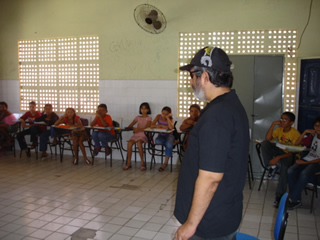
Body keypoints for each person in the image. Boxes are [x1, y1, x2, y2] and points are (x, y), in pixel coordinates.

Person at [174, 46, 249, 240]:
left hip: (208, 223)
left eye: (192, 76)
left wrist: (190, 224)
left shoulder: (218, 115)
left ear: (205, 77)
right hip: (221, 214)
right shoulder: (229, 105)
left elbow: (210, 179)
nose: (190, 81)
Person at [261, 112, 300, 207]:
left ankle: (279, 197)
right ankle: (271, 167)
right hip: (281, 152)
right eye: (281, 119)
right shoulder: (279, 130)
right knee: (265, 143)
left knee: (284, 169)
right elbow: (268, 138)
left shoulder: (295, 133)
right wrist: (273, 124)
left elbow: (294, 152)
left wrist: (278, 158)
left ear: (291, 123)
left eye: (285, 119)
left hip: (291, 156)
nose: (282, 121)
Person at [287, 116, 320, 210]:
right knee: (290, 171)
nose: (317, 128)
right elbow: (296, 144)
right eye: (316, 126)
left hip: (317, 163)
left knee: (304, 174)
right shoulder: (313, 135)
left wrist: (304, 163)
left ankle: (293, 199)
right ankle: (296, 199)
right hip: (308, 159)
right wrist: (305, 132)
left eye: (319, 126)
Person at [123, 102, 152, 171]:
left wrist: (136, 129)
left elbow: (146, 128)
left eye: (145, 109)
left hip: (144, 134)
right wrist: (128, 128)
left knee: (139, 143)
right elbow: (131, 125)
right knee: (129, 143)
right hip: (136, 134)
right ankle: (129, 162)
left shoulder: (149, 118)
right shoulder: (137, 117)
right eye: (142, 108)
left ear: (148, 110)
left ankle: (142, 163)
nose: (143, 110)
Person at [151, 106, 174, 172]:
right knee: (157, 141)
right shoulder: (158, 116)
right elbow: (152, 125)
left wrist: (168, 118)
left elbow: (171, 128)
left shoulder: (170, 119)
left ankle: (165, 163)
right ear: (161, 112)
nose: (164, 115)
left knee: (169, 144)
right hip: (161, 135)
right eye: (163, 113)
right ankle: (170, 143)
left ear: (169, 114)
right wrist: (161, 126)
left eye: (166, 114)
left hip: (169, 135)